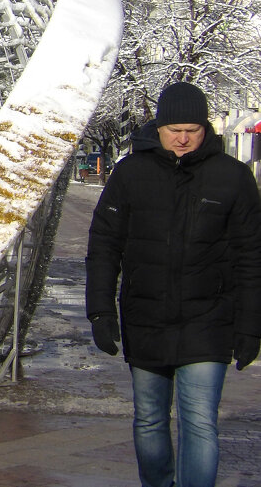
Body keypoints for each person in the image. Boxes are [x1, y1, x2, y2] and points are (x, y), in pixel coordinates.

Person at [86, 81, 261, 487]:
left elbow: (251, 257)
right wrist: (99, 310)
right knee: (149, 419)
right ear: (158, 128)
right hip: (146, 316)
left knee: (199, 421)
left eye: (192, 130)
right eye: (173, 129)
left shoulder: (232, 178)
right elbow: (104, 244)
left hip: (209, 320)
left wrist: (251, 326)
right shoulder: (130, 173)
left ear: (205, 130)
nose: (182, 138)